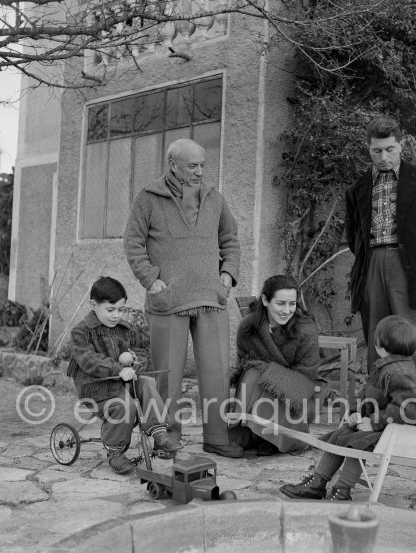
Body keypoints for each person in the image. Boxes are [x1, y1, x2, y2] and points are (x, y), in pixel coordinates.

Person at [124, 138, 243, 458]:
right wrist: (151, 282)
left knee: (217, 372)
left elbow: (230, 239)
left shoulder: (215, 198)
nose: (200, 171)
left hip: (210, 299)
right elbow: (133, 243)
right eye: (193, 165)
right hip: (168, 302)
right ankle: (167, 436)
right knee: (167, 376)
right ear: (173, 165)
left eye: (203, 165)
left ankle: (217, 437)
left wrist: (227, 275)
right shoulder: (148, 198)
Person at [345, 116, 416, 399]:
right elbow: (353, 235)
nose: (384, 157)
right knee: (377, 341)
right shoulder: (357, 188)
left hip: (410, 269)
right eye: (377, 150)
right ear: (368, 148)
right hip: (372, 266)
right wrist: (371, 262)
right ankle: (380, 413)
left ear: (401, 146)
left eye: (390, 149)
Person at [280, 315, 416, 500]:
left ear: (379, 344)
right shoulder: (385, 367)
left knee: (358, 442)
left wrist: (374, 422)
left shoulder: (401, 373)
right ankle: (317, 483)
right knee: (341, 434)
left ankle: (343, 490)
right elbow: (366, 394)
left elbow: (407, 410)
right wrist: (356, 413)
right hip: (386, 423)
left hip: (401, 429)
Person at [67, 276, 180, 475]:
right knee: (124, 405)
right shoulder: (81, 332)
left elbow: (141, 347)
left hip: (122, 383)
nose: (116, 315)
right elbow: (88, 360)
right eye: (110, 310)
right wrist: (118, 369)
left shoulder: (123, 329)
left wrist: (135, 360)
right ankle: (116, 452)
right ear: (93, 305)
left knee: (146, 384)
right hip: (96, 389)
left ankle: (160, 432)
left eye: (121, 309)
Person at [230, 274, 322, 455]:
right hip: (259, 384)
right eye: (281, 303)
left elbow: (306, 377)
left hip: (297, 393)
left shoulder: (305, 329)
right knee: (253, 372)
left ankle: (267, 436)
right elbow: (242, 364)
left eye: (292, 304)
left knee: (260, 372)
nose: (287, 310)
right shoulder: (248, 327)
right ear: (265, 300)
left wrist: (271, 372)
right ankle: (246, 429)